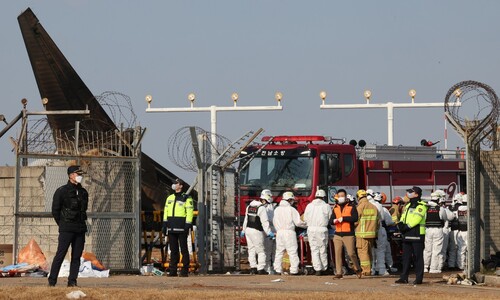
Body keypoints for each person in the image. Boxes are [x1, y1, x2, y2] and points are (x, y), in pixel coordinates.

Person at [48, 166, 88, 287]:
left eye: (80, 174)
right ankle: (52, 281)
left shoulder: (83, 192)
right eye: (77, 174)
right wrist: (63, 224)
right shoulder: (62, 191)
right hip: (67, 228)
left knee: (76, 256)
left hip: (80, 228)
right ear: (71, 175)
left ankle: (72, 281)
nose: (80, 176)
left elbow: (83, 210)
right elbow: (55, 210)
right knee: (61, 254)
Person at [395, 186, 427, 285]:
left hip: (417, 234)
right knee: (406, 257)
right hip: (407, 235)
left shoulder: (421, 206)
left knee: (418, 258)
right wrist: (400, 224)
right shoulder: (408, 205)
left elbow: (416, 219)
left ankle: (418, 278)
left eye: (411, 192)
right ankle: (404, 277)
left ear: (416, 194)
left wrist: (406, 227)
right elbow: (404, 217)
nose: (408, 193)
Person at [163, 178, 194, 277]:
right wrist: (164, 224)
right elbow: (166, 212)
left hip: (182, 227)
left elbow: (189, 212)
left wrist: (187, 225)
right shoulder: (169, 198)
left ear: (181, 186)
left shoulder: (186, 198)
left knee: (184, 249)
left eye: (176, 183)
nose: (174, 185)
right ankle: (173, 271)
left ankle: (184, 271)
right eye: (173, 183)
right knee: (173, 250)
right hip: (171, 227)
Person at [273, 191, 306, 275]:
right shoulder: (291, 209)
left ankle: (277, 269)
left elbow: (274, 222)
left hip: (279, 232)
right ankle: (294, 270)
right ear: (290, 200)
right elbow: (298, 222)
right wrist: (307, 225)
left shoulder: (277, 209)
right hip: (289, 232)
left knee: (279, 252)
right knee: (292, 252)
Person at [242, 190, 274, 275]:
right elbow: (265, 222)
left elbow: (246, 219)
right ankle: (261, 268)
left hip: (248, 230)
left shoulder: (249, 206)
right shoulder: (261, 208)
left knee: (251, 249)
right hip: (257, 231)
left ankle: (253, 267)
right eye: (267, 202)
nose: (267, 204)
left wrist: (243, 230)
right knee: (261, 251)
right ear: (264, 200)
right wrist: (269, 233)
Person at [332, 189, 362, 279]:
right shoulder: (335, 208)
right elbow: (331, 220)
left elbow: (355, 218)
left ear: (345, 197)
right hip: (337, 234)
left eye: (342, 196)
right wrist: (334, 221)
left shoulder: (352, 206)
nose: (341, 198)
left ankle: (357, 268)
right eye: (339, 196)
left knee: (351, 253)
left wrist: (343, 218)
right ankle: (339, 273)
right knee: (337, 253)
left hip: (349, 234)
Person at [423, 190, 453, 273]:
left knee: (427, 249)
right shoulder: (441, 209)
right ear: (438, 200)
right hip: (438, 230)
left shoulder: (426, 208)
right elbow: (445, 218)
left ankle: (425, 267)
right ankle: (434, 268)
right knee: (437, 250)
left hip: (428, 230)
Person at [304, 189, 332, 276]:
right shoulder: (326, 206)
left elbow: (305, 218)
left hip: (311, 229)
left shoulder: (309, 206)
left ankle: (317, 269)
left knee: (314, 249)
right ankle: (324, 268)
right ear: (323, 197)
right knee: (322, 249)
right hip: (322, 229)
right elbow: (330, 218)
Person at [354, 189, 379, 276]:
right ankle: (370, 268)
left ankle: (366, 271)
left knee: (362, 252)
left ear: (358, 197)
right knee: (369, 252)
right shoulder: (373, 207)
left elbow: (355, 221)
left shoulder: (360, 207)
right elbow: (378, 222)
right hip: (371, 234)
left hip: (362, 234)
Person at [370, 192, 395, 276]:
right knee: (381, 250)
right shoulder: (381, 208)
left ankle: (372, 269)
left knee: (371, 251)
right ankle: (381, 269)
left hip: (368, 230)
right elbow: (388, 221)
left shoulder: (365, 206)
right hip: (380, 229)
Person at [261, 189, 277, 274]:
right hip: (267, 231)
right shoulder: (262, 208)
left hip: (273, 230)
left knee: (275, 251)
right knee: (267, 251)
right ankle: (267, 268)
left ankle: (274, 268)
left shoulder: (271, 206)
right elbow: (267, 220)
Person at [446, 193, 462, 269]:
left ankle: (451, 265)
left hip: (451, 230)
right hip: (459, 230)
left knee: (452, 248)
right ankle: (459, 265)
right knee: (460, 248)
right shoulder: (462, 207)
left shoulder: (449, 207)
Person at [456, 193, 468, 271]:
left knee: (460, 249)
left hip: (460, 231)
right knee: (469, 248)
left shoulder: (459, 209)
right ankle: (468, 264)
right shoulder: (469, 208)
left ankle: (460, 265)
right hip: (467, 231)